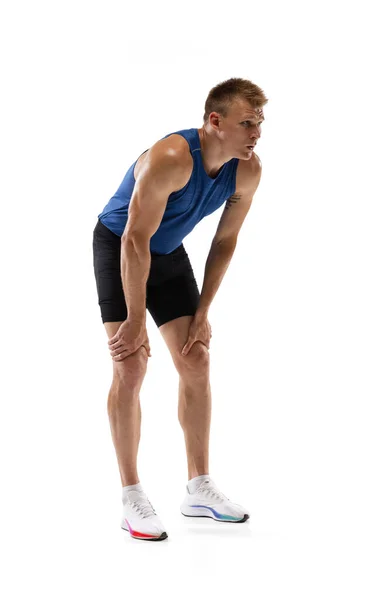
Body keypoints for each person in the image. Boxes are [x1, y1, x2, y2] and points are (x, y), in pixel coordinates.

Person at [92, 77, 268, 541]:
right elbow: (132, 239)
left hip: (166, 253)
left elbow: (225, 241)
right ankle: (131, 495)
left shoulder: (247, 171)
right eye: (246, 122)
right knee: (130, 366)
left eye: (260, 123)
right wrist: (134, 321)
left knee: (196, 359)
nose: (256, 132)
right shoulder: (172, 158)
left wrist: (204, 311)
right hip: (120, 246)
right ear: (215, 121)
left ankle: (199, 486)